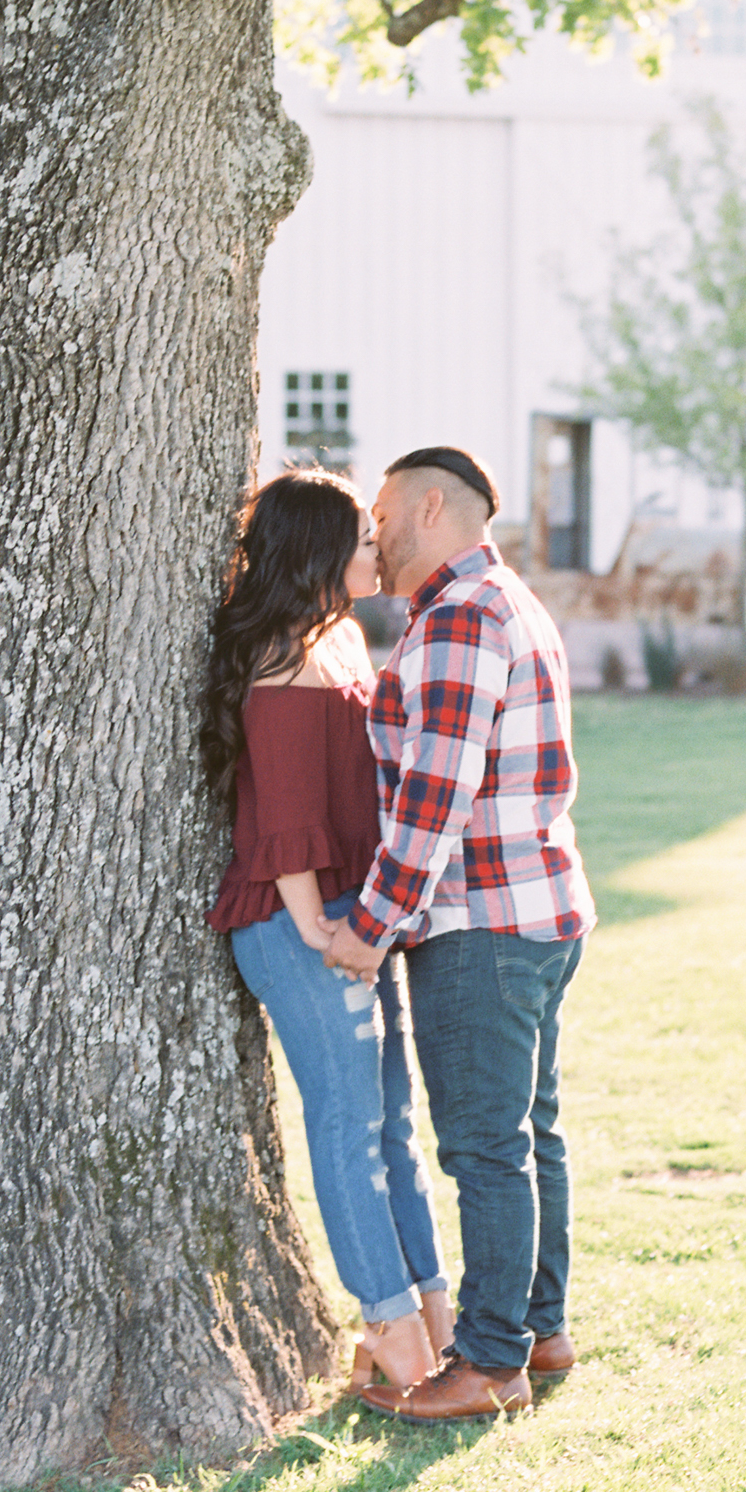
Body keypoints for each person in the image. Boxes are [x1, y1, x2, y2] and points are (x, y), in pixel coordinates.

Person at [321, 445, 596, 1423]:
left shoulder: (456, 620)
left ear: (431, 506)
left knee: (483, 1146)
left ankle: (486, 1363)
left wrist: (369, 926)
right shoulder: (506, 601)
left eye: (384, 509)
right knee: (529, 1134)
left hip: (479, 925)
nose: (372, 527)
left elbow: (433, 801)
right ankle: (540, 1328)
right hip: (540, 909)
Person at [203, 469, 450, 1396]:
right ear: (311, 551)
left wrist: (370, 920)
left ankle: (432, 1314)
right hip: (299, 923)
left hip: (357, 914)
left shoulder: (340, 639)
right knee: (351, 1127)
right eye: (357, 538)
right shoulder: (281, 659)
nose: (374, 550)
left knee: (393, 1128)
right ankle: (392, 1334)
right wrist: (319, 928)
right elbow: (287, 815)